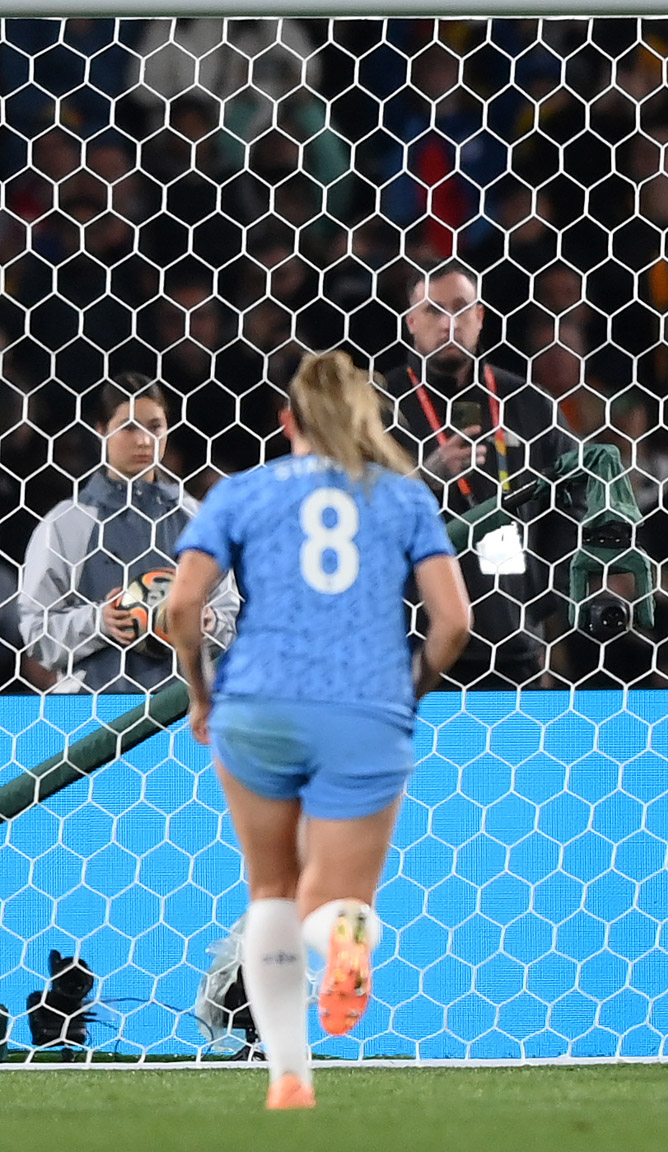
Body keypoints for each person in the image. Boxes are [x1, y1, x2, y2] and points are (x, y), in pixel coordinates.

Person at [162, 352, 470, 1110]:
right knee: (341, 897)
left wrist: (201, 694)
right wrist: (410, 693)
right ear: (365, 419)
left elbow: (179, 609)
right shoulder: (403, 499)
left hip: (258, 706)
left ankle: (289, 1075)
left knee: (270, 890)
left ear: (286, 420)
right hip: (364, 708)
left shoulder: (240, 493)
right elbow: (455, 622)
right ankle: (347, 941)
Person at [387, 261, 575, 688]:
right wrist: (423, 478)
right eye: (434, 310)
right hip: (410, 648)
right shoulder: (378, 406)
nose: (449, 323)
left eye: (461, 308)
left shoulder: (530, 404)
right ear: (411, 322)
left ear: (481, 317)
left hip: (513, 642)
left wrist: (542, 590)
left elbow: (577, 498)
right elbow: (349, 506)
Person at [20, 374, 239, 693]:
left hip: (179, 708)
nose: (144, 440)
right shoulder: (66, 523)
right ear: (101, 431)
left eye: (155, 427)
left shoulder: (195, 517)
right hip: (91, 710)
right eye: (129, 427)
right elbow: (37, 633)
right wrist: (100, 621)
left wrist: (209, 623)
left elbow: (227, 616)